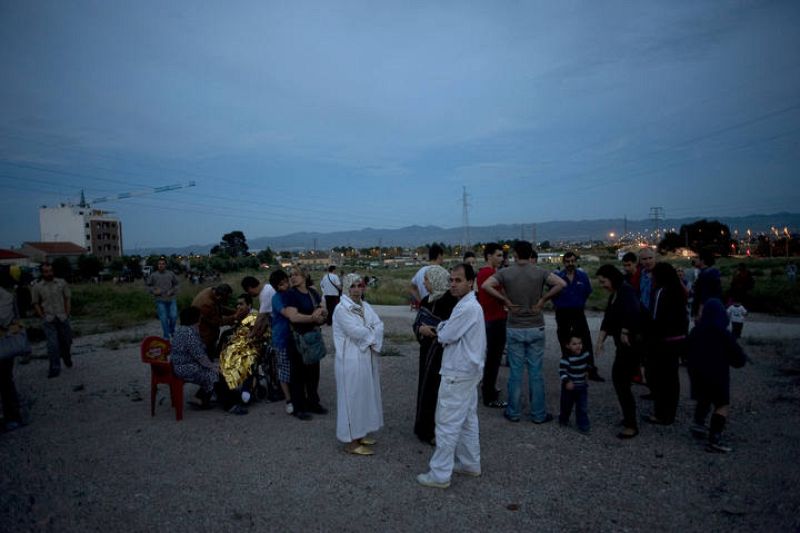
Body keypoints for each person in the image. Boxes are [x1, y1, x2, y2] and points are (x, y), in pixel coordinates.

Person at [417, 263, 486, 489]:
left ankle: (439, 474)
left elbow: (446, 334)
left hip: (458, 373)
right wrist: (444, 327)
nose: (453, 285)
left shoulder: (467, 308)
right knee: (467, 420)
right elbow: (448, 329)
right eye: (451, 280)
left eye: (458, 280)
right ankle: (470, 463)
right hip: (467, 371)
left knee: (446, 423)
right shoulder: (465, 305)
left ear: (470, 282)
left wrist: (439, 329)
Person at [482, 241, 566, 424]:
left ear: (514, 254)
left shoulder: (506, 273)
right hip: (536, 325)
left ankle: (513, 412)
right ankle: (538, 414)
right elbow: (561, 283)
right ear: (530, 255)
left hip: (514, 326)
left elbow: (486, 286)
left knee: (516, 373)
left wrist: (505, 300)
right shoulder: (539, 272)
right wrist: (543, 299)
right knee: (536, 372)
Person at [333, 273, 384, 455]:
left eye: (359, 285)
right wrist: (371, 335)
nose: (356, 289)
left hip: (365, 357)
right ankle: (351, 442)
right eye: (352, 286)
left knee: (364, 396)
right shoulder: (341, 309)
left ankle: (360, 433)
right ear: (346, 288)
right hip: (350, 360)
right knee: (351, 398)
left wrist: (370, 333)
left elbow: (379, 325)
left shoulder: (365, 306)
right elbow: (355, 331)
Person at [687, 299, 746, 453]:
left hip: (697, 374)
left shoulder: (696, 330)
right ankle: (715, 438)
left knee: (704, 398)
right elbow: (739, 360)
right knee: (721, 405)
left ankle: (698, 423)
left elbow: (685, 349)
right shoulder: (723, 333)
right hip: (718, 374)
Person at [171, 307, 247, 415]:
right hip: (185, 367)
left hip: (181, 365)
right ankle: (229, 405)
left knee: (216, 371)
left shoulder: (181, 330)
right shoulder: (189, 334)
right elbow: (200, 356)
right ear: (196, 319)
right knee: (215, 375)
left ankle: (201, 399)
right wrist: (214, 367)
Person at [595, 264, 641, 439]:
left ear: (612, 278)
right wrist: (600, 341)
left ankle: (631, 424)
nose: (602, 285)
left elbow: (634, 312)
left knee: (621, 381)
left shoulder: (626, 291)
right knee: (621, 382)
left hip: (631, 346)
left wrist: (625, 330)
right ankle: (628, 419)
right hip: (622, 346)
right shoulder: (614, 294)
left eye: (603, 281)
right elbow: (608, 319)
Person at [413, 265, 457, 444]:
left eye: (427, 280)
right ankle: (424, 428)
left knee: (440, 392)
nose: (424, 283)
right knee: (426, 389)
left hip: (443, 355)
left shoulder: (451, 302)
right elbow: (417, 323)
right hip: (427, 352)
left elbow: (453, 329)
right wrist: (421, 328)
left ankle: (438, 431)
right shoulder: (426, 300)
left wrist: (437, 332)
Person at [644, 263, 689, 426]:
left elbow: (656, 318)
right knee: (671, 379)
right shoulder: (678, 290)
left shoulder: (661, 292)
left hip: (663, 342)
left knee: (660, 378)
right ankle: (669, 413)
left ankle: (661, 414)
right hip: (677, 339)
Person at [282, 264, 328, 417]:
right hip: (297, 340)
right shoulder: (290, 294)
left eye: (296, 274)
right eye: (290, 275)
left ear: (304, 276)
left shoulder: (313, 292)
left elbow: (322, 308)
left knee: (313, 373)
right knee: (298, 375)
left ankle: (313, 402)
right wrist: (312, 317)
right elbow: (292, 316)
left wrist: (321, 313)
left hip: (312, 339)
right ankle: (299, 407)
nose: (292, 277)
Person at [553, 252, 604, 382]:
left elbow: (587, 292)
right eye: (567, 261)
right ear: (563, 263)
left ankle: (591, 370)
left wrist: (578, 303)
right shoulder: (558, 277)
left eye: (572, 261)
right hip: (562, 312)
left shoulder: (583, 276)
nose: (570, 264)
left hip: (578, 312)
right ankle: (568, 370)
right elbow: (552, 294)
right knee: (565, 341)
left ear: (576, 262)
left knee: (585, 341)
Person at [476, 243, 507, 408]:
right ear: (489, 256)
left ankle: (489, 388)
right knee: (493, 359)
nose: (501, 259)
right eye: (498, 255)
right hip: (494, 320)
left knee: (492, 359)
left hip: (491, 319)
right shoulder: (488, 273)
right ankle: (489, 395)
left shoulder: (486, 273)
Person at [31, 262, 73, 378]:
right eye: (45, 271)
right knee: (52, 345)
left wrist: (67, 313)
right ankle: (54, 368)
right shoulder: (37, 287)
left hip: (62, 316)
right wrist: (42, 316)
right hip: (49, 319)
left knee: (67, 340)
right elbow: (35, 303)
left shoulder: (61, 283)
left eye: (50, 271)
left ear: (53, 271)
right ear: (42, 272)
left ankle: (66, 356)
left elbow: (67, 298)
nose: (48, 273)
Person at [191, 284, 247, 359]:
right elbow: (217, 322)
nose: (227, 300)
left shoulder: (211, 292)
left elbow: (220, 308)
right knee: (206, 357)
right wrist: (234, 316)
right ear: (220, 297)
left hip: (205, 330)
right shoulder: (206, 304)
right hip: (202, 334)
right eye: (226, 298)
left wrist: (234, 312)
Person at [0, 267, 24, 431]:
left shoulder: (6, 297)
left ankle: (13, 415)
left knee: (5, 382)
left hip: (3, 345)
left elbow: (8, 319)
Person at [269, 270, 296, 416]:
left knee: (296, 368)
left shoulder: (292, 292)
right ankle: (288, 400)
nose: (285, 285)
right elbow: (287, 313)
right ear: (276, 287)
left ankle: (297, 396)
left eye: (286, 281)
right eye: (281, 284)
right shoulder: (276, 298)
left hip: (293, 337)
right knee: (284, 370)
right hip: (281, 338)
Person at [558, 335, 591, 434]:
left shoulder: (585, 354)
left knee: (582, 407)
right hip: (569, 387)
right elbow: (562, 371)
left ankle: (583, 425)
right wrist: (567, 381)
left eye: (580, 343)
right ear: (568, 346)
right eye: (574, 344)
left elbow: (588, 365)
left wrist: (588, 372)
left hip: (582, 386)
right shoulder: (566, 358)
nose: (578, 346)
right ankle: (563, 419)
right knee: (566, 406)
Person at [145, 257, 179, 340]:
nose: (161, 265)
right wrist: (153, 291)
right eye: (159, 264)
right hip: (160, 300)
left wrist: (172, 290)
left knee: (174, 316)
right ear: (157, 265)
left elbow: (177, 284)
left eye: (163, 264)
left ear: (165, 265)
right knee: (163, 319)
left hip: (171, 299)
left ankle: (172, 330)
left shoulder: (171, 274)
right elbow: (147, 286)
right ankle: (166, 336)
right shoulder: (153, 275)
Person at [692, 250, 722, 321]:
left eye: (697, 258)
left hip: (705, 311)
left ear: (702, 261)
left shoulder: (705, 275)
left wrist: (700, 312)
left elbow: (705, 294)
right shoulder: (712, 273)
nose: (695, 260)